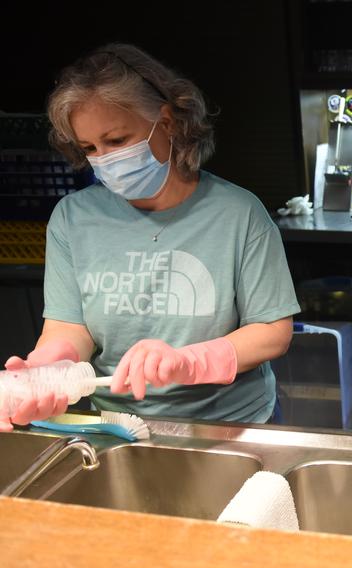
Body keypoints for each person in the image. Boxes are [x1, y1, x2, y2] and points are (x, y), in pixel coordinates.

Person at [1, 44, 300, 430]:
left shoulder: (239, 213)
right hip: (117, 423)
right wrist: (49, 367)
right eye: (89, 148)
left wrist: (190, 362)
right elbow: (70, 327)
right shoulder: (73, 218)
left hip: (229, 425)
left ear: (168, 122)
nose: (104, 159)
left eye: (117, 140)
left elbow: (272, 332)